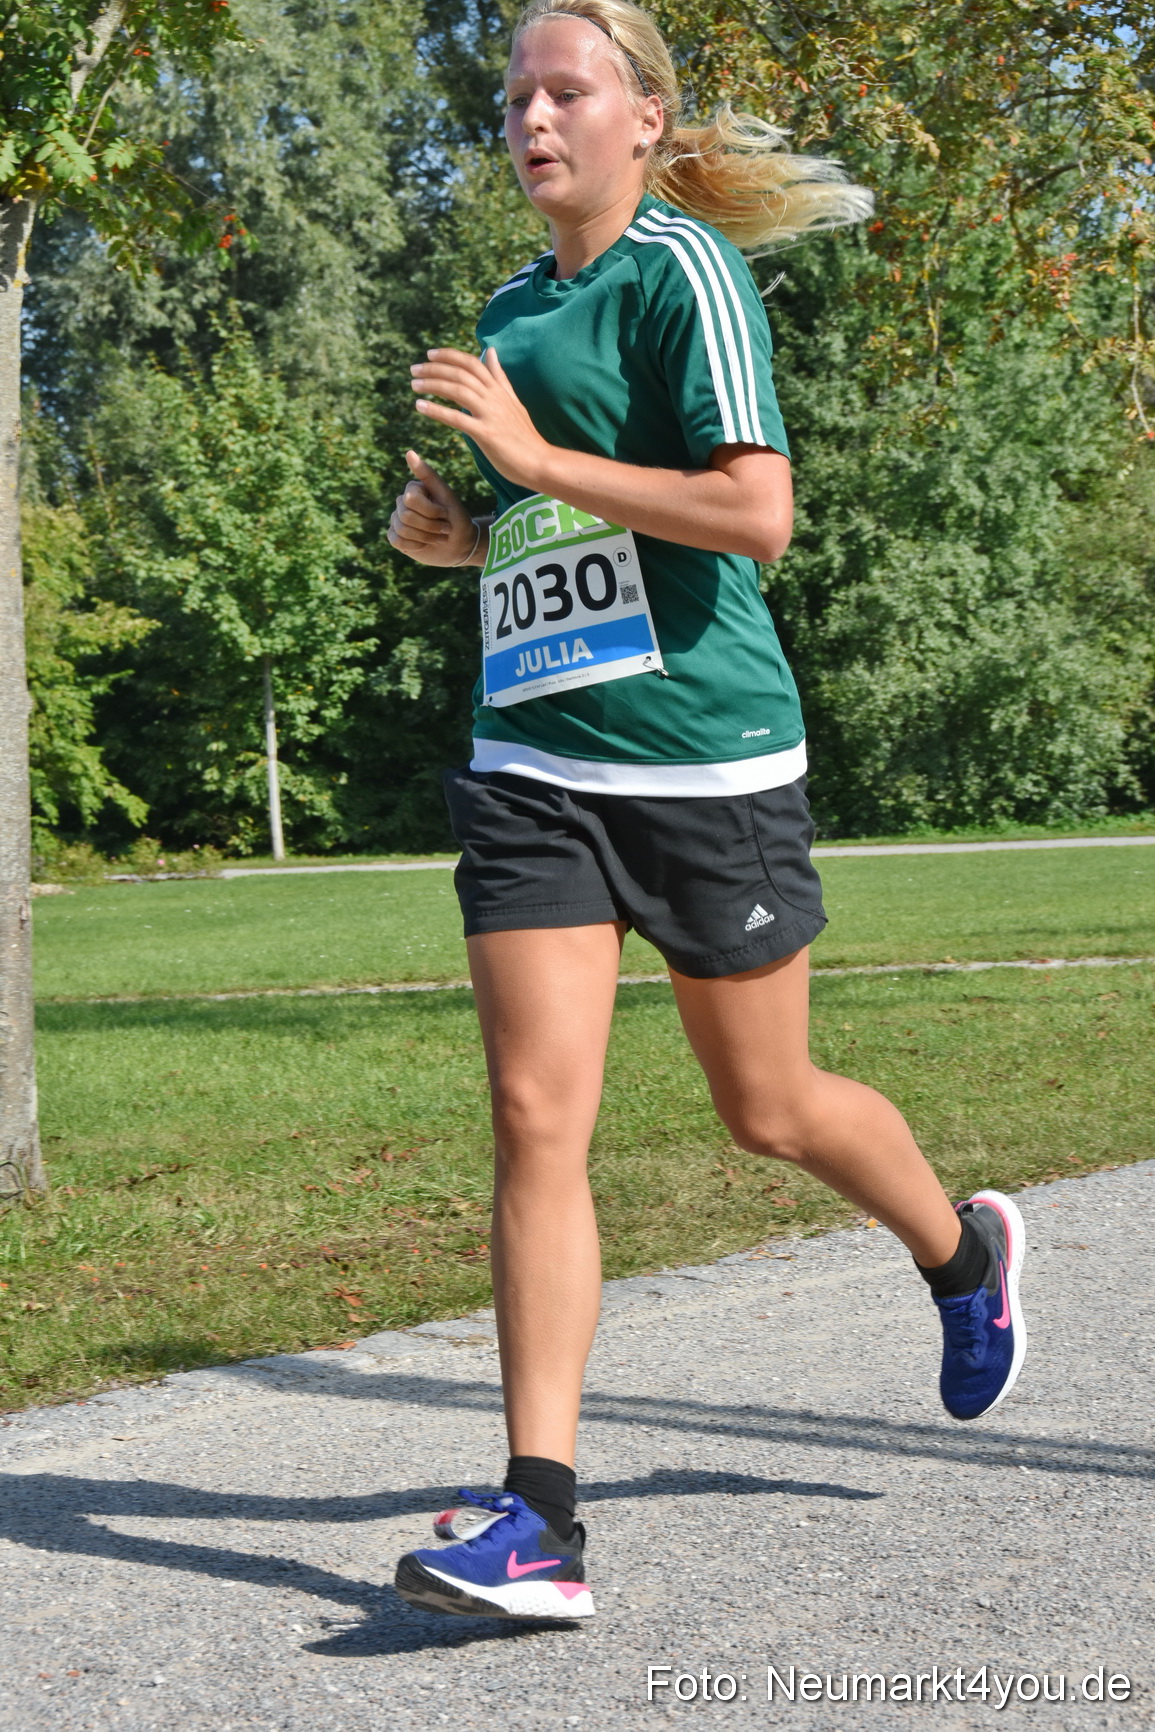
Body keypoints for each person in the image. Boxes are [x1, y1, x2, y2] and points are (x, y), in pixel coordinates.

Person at [386, 0, 1027, 1622]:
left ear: (646, 118)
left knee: (771, 1106)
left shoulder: (688, 275)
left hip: (703, 764)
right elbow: (566, 529)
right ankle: (540, 1518)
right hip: (535, 759)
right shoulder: (510, 306)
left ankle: (961, 1253)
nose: (533, 119)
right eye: (514, 96)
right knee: (536, 1118)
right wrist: (469, 536)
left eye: (565, 90)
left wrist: (536, 457)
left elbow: (756, 513)